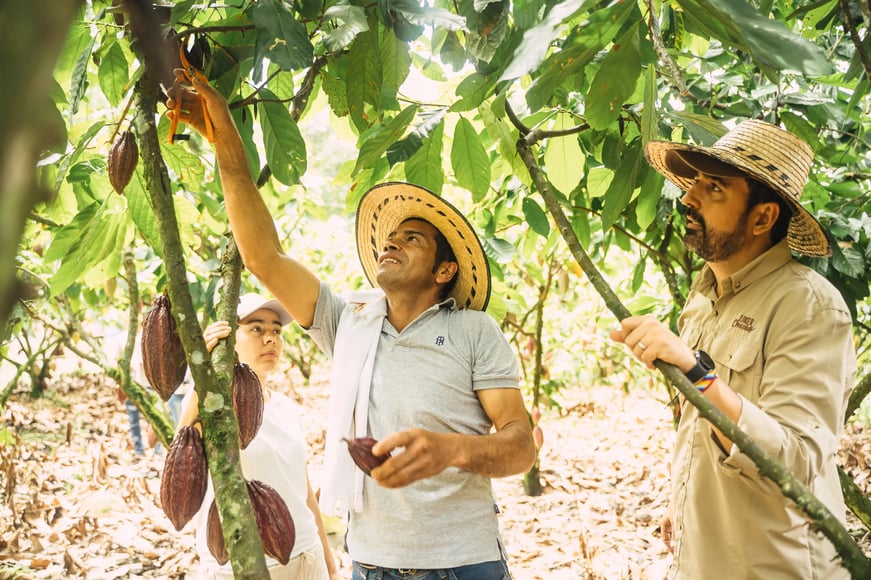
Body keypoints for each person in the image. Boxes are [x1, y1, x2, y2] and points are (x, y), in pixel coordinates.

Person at [167, 74, 536, 579]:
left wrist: (453, 448)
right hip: (373, 563)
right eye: (390, 237)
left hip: (464, 561)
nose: (391, 243)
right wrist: (223, 134)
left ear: (444, 271)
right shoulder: (350, 325)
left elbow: (520, 446)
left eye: (412, 239)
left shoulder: (475, 331)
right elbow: (264, 255)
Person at [610, 120, 856, 578]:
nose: (688, 198)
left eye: (715, 188)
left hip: (775, 565)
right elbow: (699, 427)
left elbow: (796, 463)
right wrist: (680, 502)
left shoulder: (809, 306)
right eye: (695, 184)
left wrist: (694, 370)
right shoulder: (702, 298)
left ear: (763, 217)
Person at [178, 293, 340, 580]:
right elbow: (181, 467)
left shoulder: (285, 406)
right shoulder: (213, 409)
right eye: (256, 329)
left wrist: (328, 561)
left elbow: (303, 491)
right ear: (228, 338)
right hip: (238, 566)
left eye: (276, 330)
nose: (271, 339)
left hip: (305, 555)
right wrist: (201, 375)